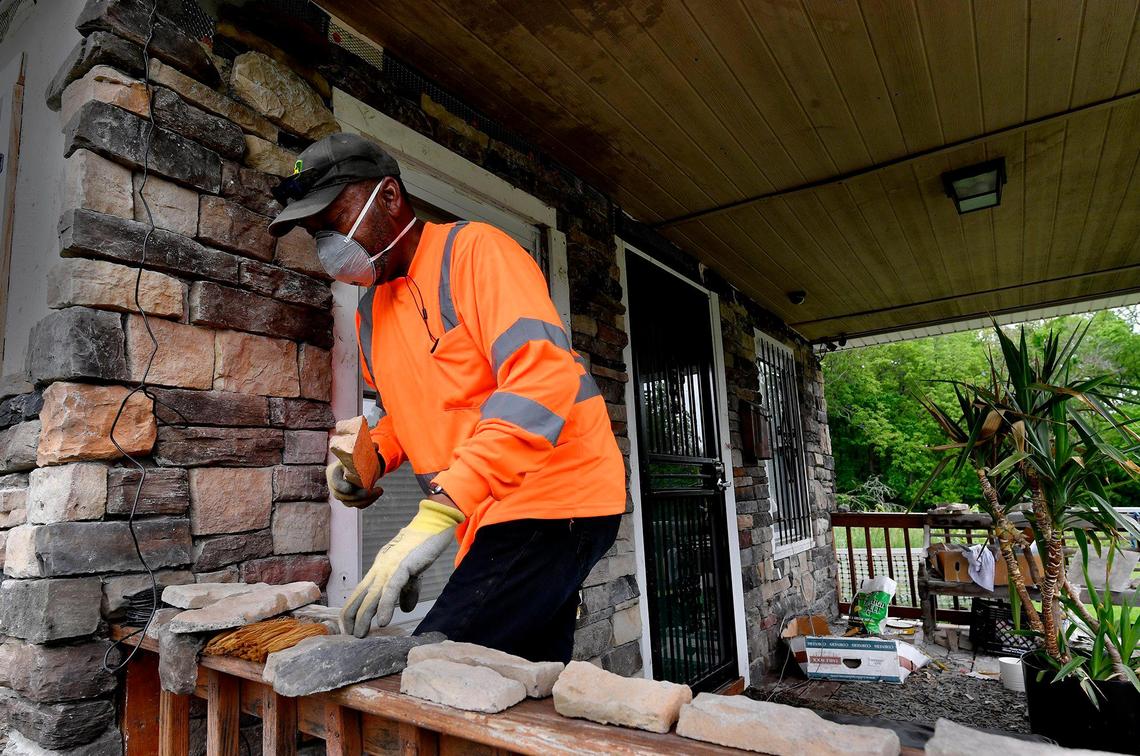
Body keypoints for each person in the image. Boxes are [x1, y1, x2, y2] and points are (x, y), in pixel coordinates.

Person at [269, 133, 626, 663]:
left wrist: (438, 513)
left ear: (389, 197)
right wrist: (372, 459)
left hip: (555, 492)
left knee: (440, 666)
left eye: (335, 221)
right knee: (524, 681)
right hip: (486, 509)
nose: (329, 247)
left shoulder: (476, 252)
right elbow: (406, 413)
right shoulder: (370, 316)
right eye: (317, 234)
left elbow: (539, 379)